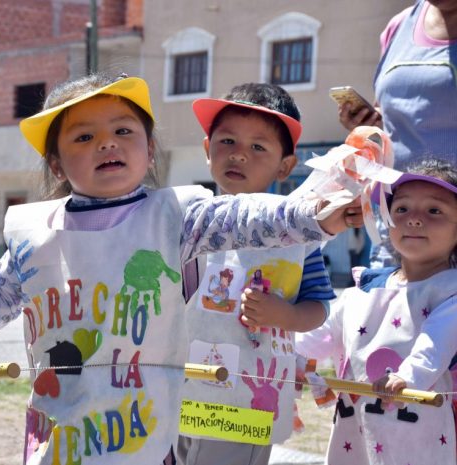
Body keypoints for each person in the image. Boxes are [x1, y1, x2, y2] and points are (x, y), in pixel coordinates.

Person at [0, 74, 359, 465]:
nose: (106, 143)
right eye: (83, 137)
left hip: (146, 421)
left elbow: (246, 217)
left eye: (122, 131)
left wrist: (315, 214)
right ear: (56, 163)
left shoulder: (177, 217)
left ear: (149, 152)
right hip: (66, 419)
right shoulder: (37, 232)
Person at [176, 83, 337, 465]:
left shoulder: (297, 235)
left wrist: (286, 316)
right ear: (206, 150)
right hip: (176, 386)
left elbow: (319, 304)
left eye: (258, 147)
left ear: (285, 166)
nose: (239, 155)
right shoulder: (186, 220)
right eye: (227, 141)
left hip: (247, 396)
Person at [296, 159, 457, 465]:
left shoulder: (451, 291)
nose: (414, 219)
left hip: (423, 436)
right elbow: (324, 331)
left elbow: (436, 344)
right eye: (402, 209)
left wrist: (408, 377)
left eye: (434, 211)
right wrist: (293, 358)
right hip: (356, 429)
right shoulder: (363, 290)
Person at [337, 0, 457, 267]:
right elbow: (396, 117)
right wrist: (369, 124)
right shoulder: (399, 26)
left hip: (449, 227)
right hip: (398, 223)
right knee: (392, 306)